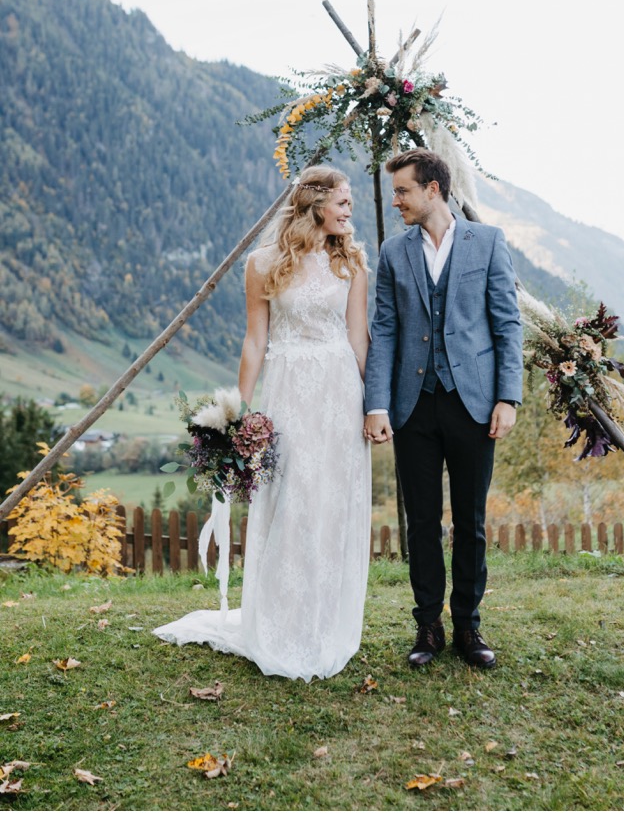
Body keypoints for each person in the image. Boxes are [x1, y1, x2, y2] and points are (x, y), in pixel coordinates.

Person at [155, 166, 372, 681]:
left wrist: (371, 406)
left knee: (329, 504)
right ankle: (280, 625)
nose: (349, 210)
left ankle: (322, 626)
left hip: (339, 394)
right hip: (286, 393)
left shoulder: (354, 263)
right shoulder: (262, 264)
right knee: (289, 501)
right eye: (342, 201)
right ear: (315, 203)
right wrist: (236, 412)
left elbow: (358, 338)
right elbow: (255, 341)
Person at [363, 148, 523, 669]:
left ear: (433, 189)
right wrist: (378, 404)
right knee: (423, 523)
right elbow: (384, 329)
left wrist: (507, 396)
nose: (397, 201)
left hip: (473, 404)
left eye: (404, 190)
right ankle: (427, 626)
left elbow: (506, 325)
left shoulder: (489, 242)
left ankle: (468, 628)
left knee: (471, 523)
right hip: (413, 408)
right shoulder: (393, 252)